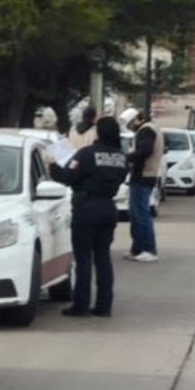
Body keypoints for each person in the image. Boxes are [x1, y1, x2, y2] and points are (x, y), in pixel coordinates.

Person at [50, 116, 127, 317]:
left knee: (83, 258)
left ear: (99, 132)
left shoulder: (87, 154)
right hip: (108, 208)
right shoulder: (121, 157)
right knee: (103, 258)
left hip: (87, 208)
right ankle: (104, 305)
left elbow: (66, 177)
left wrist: (52, 165)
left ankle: (81, 304)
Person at [121, 107, 163, 262]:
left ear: (135, 120)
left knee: (140, 214)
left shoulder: (146, 130)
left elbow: (145, 150)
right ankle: (137, 249)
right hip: (145, 176)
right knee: (136, 214)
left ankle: (148, 249)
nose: (130, 128)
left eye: (130, 124)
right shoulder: (150, 129)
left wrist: (126, 157)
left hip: (143, 176)